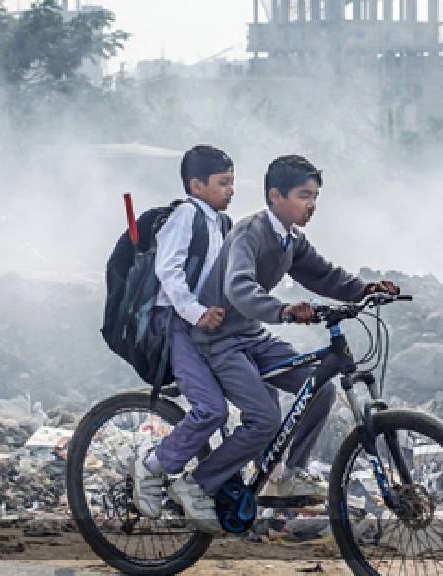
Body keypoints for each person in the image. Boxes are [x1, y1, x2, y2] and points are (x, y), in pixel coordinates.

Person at [188, 154, 399, 504]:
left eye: (315, 196)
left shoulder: (290, 240)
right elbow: (238, 288)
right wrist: (283, 310)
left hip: (250, 336)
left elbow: (324, 275)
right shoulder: (249, 232)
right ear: (275, 195)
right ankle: (197, 484)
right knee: (265, 418)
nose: (312, 204)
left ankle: (286, 476)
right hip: (219, 340)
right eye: (304, 195)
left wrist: (366, 290)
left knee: (319, 388)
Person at [132, 145, 234, 532]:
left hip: (208, 326)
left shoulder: (221, 224)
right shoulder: (186, 215)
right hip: (178, 324)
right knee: (211, 410)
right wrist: (196, 312)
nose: (231, 191)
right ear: (197, 185)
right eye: (223, 183)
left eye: (232, 183)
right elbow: (169, 273)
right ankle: (153, 465)